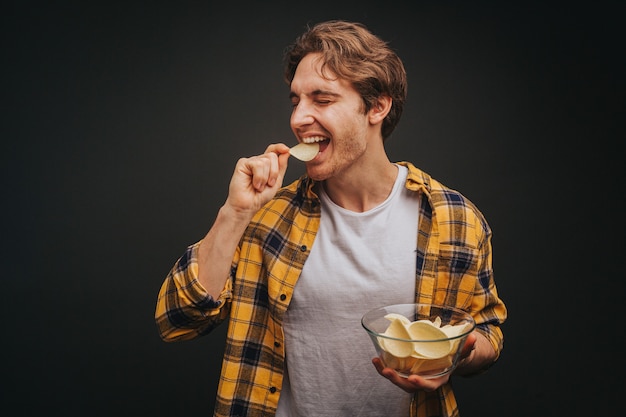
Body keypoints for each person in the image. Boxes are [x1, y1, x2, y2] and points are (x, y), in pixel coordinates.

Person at [155, 20, 507, 417]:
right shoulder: (267, 219)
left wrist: (454, 355)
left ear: (377, 106)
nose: (299, 118)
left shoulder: (454, 218)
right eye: (296, 101)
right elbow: (177, 320)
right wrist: (234, 213)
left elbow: (487, 330)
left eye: (321, 100)